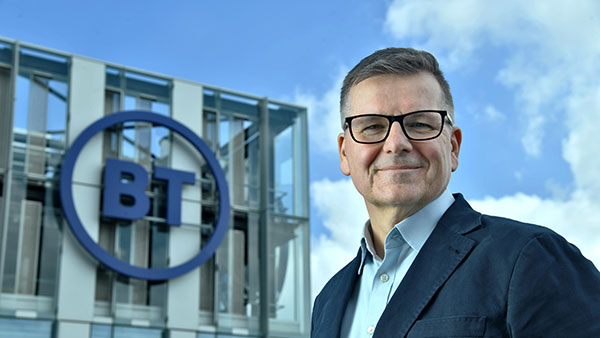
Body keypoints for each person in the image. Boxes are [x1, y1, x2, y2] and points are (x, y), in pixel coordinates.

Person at [311, 48, 600, 337]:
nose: (395, 143)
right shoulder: (327, 301)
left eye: (420, 124)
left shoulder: (529, 258)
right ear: (344, 153)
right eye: (372, 126)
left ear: (453, 146)